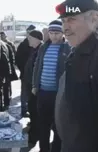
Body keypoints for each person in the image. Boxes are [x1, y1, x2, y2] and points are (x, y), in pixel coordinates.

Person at [55, 0, 98, 152]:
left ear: (94, 18)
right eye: (63, 21)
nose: (65, 28)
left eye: (71, 19)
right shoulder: (81, 47)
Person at [32, 20, 70, 152]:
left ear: (62, 33)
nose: (54, 36)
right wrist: (35, 85)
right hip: (43, 92)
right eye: (51, 33)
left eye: (57, 33)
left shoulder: (67, 48)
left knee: (58, 126)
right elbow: (37, 67)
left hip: (59, 94)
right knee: (43, 124)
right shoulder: (44, 47)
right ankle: (44, 149)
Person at [24, 30, 43, 147]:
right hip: (30, 87)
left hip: (35, 89)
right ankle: (33, 133)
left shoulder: (40, 50)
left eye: (30, 38)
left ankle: (34, 137)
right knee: (32, 111)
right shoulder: (34, 50)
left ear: (36, 38)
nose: (28, 40)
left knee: (35, 113)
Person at [15, 25, 36, 117]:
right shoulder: (23, 45)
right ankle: (24, 110)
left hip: (35, 74)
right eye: (29, 33)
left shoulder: (39, 45)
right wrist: (23, 69)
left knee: (33, 94)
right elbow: (18, 59)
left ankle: (32, 111)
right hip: (25, 74)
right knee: (24, 92)